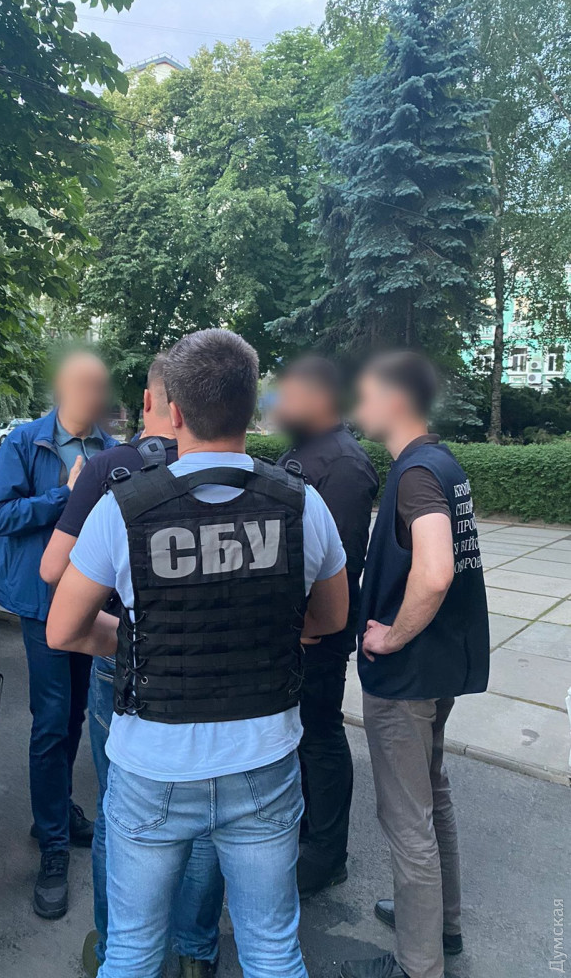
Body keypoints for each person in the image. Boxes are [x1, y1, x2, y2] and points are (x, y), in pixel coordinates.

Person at [46, 329, 349, 978]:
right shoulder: (303, 503)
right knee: (273, 951)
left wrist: (139, 644)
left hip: (152, 763)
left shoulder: (122, 508)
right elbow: (332, 617)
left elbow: (63, 630)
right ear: (251, 409)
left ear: (175, 411)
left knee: (131, 951)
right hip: (263, 757)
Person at [40, 353, 225, 978]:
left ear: (152, 402)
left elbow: (52, 569)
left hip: (125, 661)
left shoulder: (108, 468)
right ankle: (195, 952)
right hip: (214, 662)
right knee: (207, 814)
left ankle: (116, 947)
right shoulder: (229, 471)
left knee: (121, 808)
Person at [340, 352, 489, 978]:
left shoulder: (416, 474)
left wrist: (391, 637)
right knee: (433, 794)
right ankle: (439, 925)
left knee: (407, 820)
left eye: (366, 394)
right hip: (441, 667)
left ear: (396, 399)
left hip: (408, 677)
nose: (358, 406)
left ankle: (416, 965)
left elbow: (434, 572)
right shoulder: (442, 463)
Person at [0, 350, 118, 920]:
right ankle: (53, 845)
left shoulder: (112, 449)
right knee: (50, 718)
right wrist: (66, 495)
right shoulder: (25, 442)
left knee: (74, 716)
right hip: (41, 605)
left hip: (90, 603)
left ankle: (57, 812)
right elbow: (1, 516)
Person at [275, 354, 379, 899]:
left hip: (318, 630)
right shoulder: (302, 452)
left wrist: (309, 624)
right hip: (290, 628)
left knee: (319, 735)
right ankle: (300, 829)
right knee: (297, 736)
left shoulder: (343, 464)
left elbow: (338, 563)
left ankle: (325, 853)